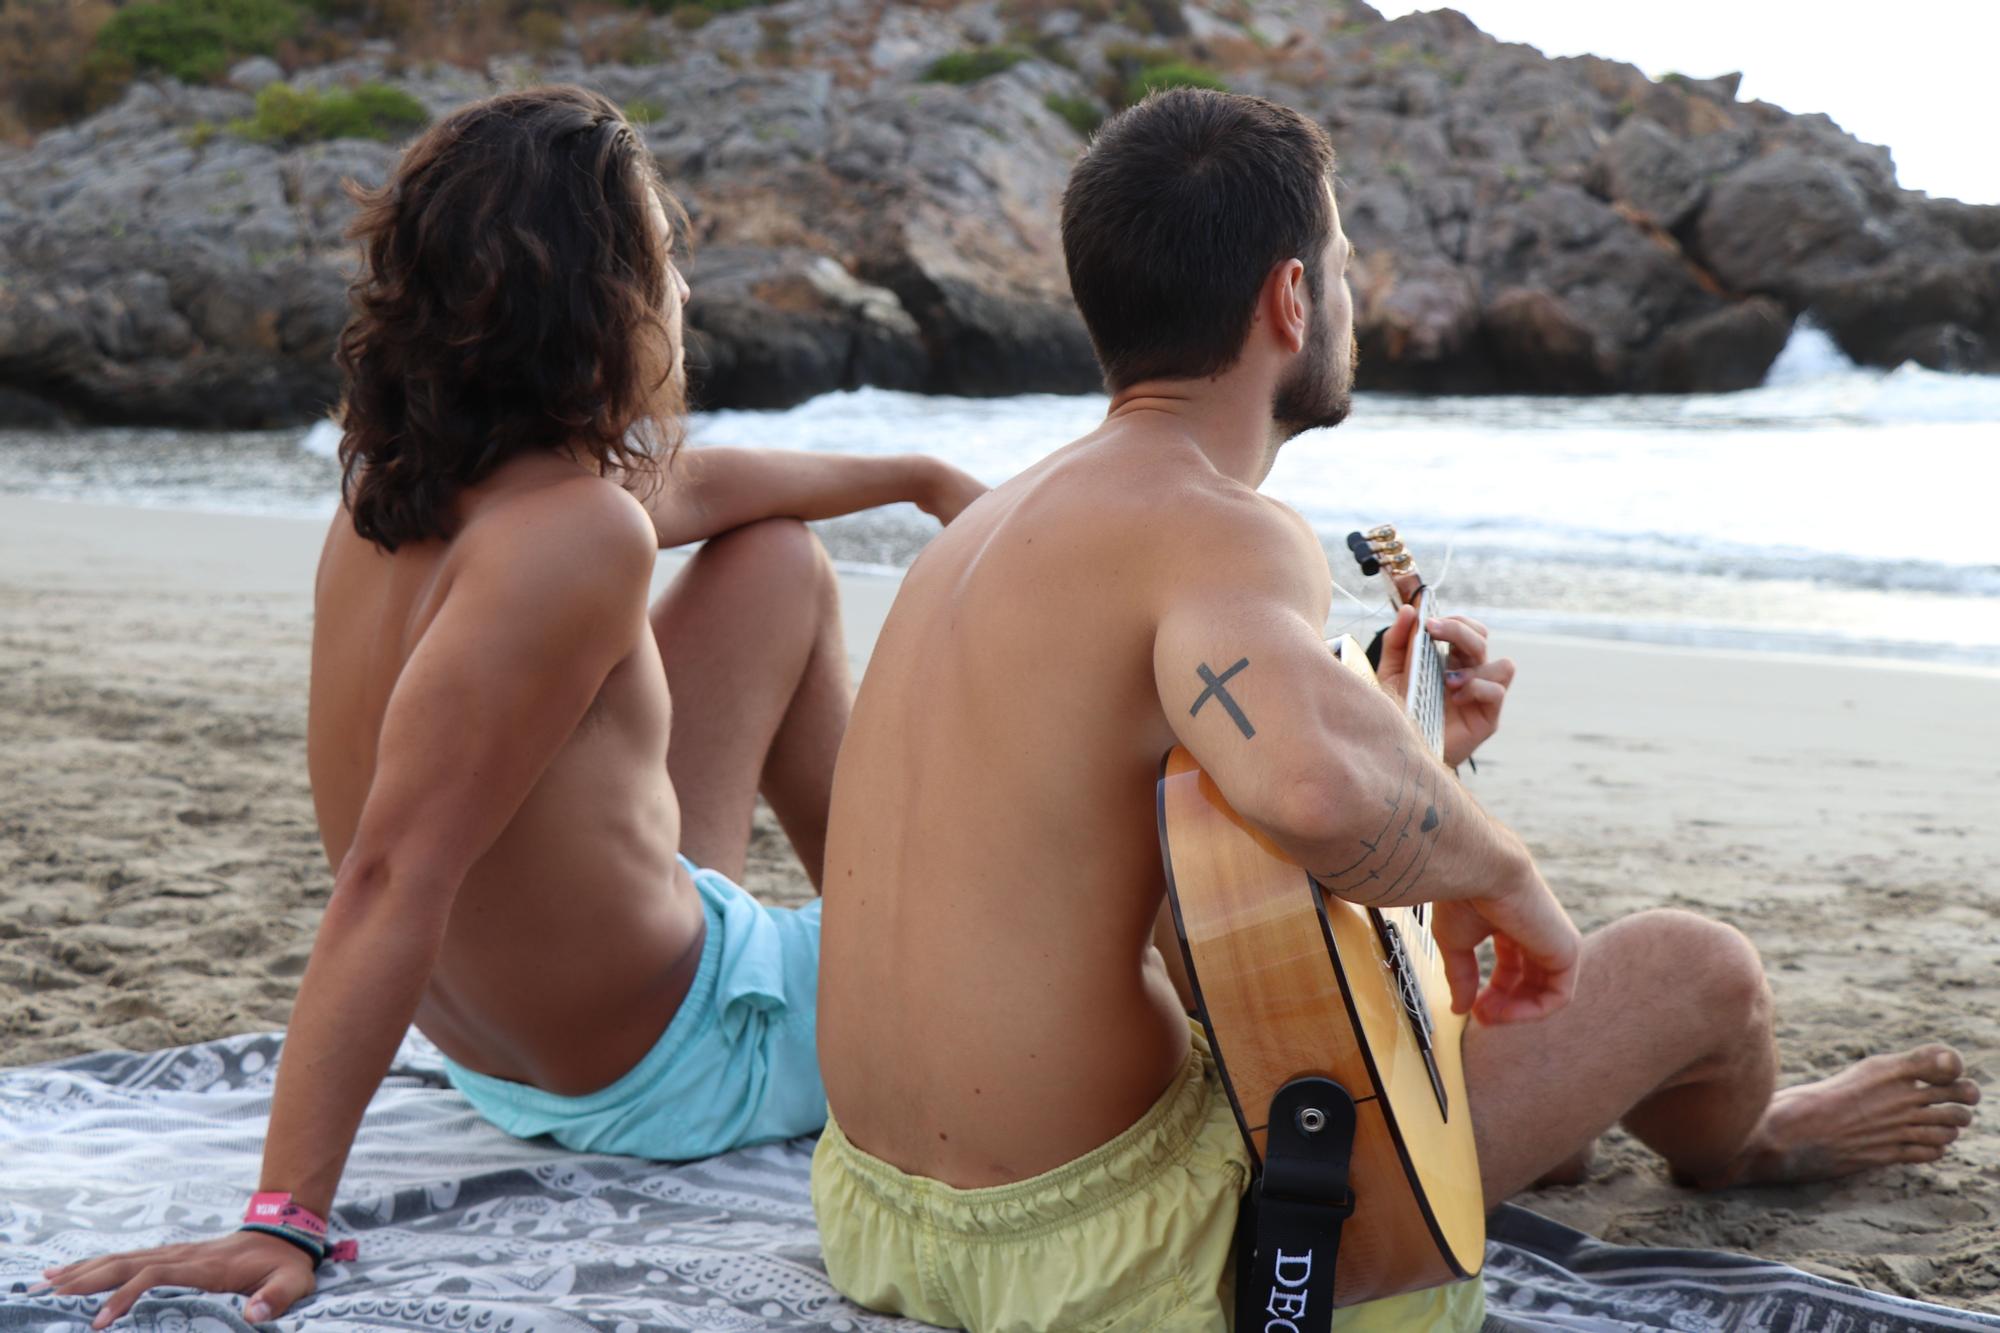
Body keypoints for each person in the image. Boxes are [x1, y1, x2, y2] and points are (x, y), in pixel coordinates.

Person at [811, 88, 1980, 1332]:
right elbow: (1311, 790)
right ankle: (1740, 1144)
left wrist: (1402, 739)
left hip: (882, 1210)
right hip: (1113, 1248)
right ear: (1290, 299)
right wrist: (1507, 878)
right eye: (1347, 271)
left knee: (1439, 1039)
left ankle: (1605, 1124)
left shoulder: (984, 530)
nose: (1351, 304)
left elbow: (1162, 863)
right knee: (1697, 968)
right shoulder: (1222, 523)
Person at [41, 86, 984, 1329]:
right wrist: (283, 1219)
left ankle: (868, 936)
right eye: (663, 261)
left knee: (774, 560)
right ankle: (887, 964)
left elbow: (694, 488)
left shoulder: (409, 485)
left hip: (528, 1047)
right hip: (676, 1062)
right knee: (1027, 888)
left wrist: (917, 476)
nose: (684, 295)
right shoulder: (575, 535)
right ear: (602, 299)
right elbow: (390, 875)